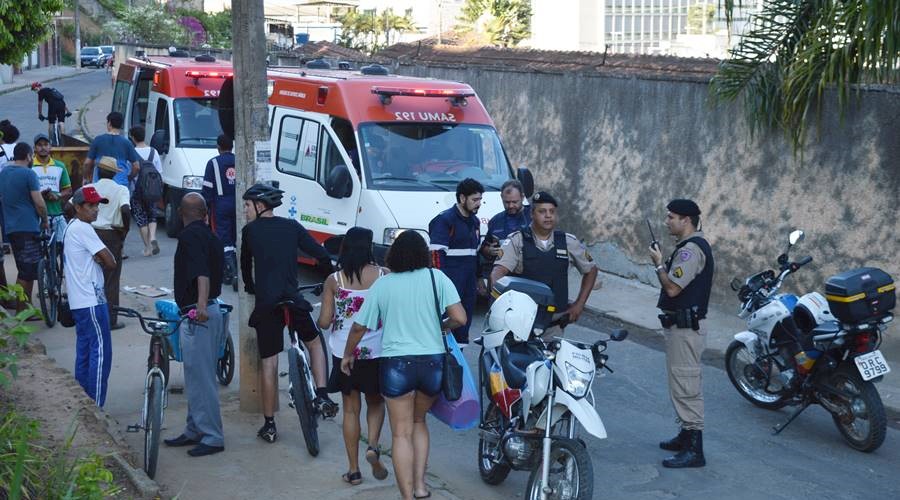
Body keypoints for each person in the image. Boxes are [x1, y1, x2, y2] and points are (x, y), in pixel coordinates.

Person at [342, 231, 466, 500]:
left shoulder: (384, 285)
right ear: (423, 253)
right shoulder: (438, 278)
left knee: (400, 434)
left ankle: (407, 496)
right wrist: (441, 326)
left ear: (394, 254)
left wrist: (347, 354)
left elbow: (359, 327)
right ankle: (421, 487)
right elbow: (460, 317)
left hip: (396, 365)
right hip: (432, 363)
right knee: (419, 422)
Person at [240, 182, 337, 443]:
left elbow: (245, 268)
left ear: (260, 206)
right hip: (293, 300)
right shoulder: (292, 227)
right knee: (315, 344)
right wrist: (328, 275)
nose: (246, 211)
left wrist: (251, 287)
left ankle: (270, 425)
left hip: (267, 304)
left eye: (247, 206)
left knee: (269, 362)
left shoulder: (249, 232)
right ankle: (323, 395)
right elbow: (321, 255)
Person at [318, 227, 388, 486]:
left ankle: (354, 470)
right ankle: (372, 445)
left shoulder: (334, 280)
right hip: (376, 352)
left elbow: (325, 322)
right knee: (376, 402)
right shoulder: (383, 276)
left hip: (343, 352)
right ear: (369, 248)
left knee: (350, 409)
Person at [648, 199, 714, 469]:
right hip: (680, 327)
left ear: (686, 220)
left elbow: (673, 288)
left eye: (671, 217)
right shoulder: (688, 248)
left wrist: (658, 264)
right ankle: (685, 436)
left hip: (687, 329)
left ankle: (694, 449)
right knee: (680, 383)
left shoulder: (691, 251)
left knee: (687, 385)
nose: (667, 222)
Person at [163, 192, 226, 457]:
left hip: (199, 314)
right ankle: (194, 428)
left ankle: (212, 436)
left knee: (202, 378)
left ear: (181, 212)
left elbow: (202, 271)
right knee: (196, 376)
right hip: (208, 311)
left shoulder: (190, 237)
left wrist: (200, 305)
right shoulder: (210, 236)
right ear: (205, 213)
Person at [490, 191, 598, 335]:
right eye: (542, 211)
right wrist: (503, 306)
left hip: (554, 326)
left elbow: (591, 270)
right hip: (520, 324)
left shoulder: (568, 242)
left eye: (552, 211)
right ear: (532, 214)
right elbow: (497, 274)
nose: (548, 215)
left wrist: (579, 305)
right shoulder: (517, 241)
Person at [64, 186, 116, 407]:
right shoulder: (84, 229)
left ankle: (83, 401)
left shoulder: (71, 227)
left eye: (97, 205)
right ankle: (95, 405)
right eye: (90, 205)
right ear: (78, 207)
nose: (95, 210)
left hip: (80, 302)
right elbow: (111, 261)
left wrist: (98, 258)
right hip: (91, 301)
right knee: (101, 353)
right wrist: (101, 258)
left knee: (85, 352)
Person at [427, 177, 483, 347]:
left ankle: (459, 365)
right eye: (475, 200)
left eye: (480, 200)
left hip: (468, 283)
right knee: (447, 323)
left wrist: (479, 278)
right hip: (450, 284)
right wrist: (441, 285)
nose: (478, 203)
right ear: (462, 198)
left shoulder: (475, 222)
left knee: (464, 325)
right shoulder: (444, 220)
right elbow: (436, 256)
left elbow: (475, 255)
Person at [0, 143, 48, 313]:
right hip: (27, 227)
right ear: (29, 156)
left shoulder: (4, 173)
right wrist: (45, 219)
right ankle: (23, 311)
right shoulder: (29, 174)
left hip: (11, 227)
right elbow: (39, 203)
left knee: (24, 268)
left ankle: (26, 307)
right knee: (27, 271)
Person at [91, 157, 131, 330]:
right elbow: (125, 210)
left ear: (98, 172)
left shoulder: (90, 188)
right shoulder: (121, 189)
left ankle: (91, 317)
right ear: (115, 174)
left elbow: (70, 206)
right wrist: (125, 230)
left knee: (90, 276)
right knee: (111, 278)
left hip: (90, 233)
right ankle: (110, 320)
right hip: (112, 234)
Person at [479, 179, 531, 294]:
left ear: (522, 197)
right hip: (501, 277)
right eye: (506, 202)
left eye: (514, 202)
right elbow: (484, 248)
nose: (511, 205)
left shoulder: (534, 216)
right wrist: (489, 251)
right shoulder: (495, 221)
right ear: (501, 198)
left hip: (528, 276)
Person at [201, 134, 237, 285]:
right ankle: (237, 269)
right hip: (239, 203)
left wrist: (205, 210)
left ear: (218, 147)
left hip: (220, 204)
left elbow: (207, 189)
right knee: (236, 237)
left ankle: (230, 271)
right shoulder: (238, 159)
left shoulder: (213, 163)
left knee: (223, 238)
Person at [32, 133, 73, 245]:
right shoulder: (30, 167)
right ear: (34, 148)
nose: (43, 147)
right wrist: (39, 195)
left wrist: (57, 195)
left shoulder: (60, 166)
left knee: (65, 245)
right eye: (39, 145)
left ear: (50, 147)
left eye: (46, 144)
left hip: (57, 213)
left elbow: (68, 190)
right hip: (36, 216)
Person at [128, 126, 162, 257]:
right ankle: (153, 236)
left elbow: (131, 171)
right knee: (152, 215)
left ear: (133, 137)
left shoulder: (131, 152)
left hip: (137, 190)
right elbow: (159, 172)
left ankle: (148, 248)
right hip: (152, 189)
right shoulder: (154, 152)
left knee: (141, 218)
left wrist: (130, 178)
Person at [83, 112, 141, 187]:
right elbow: (136, 167)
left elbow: (87, 163)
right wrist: (129, 178)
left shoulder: (98, 140)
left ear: (109, 123)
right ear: (121, 125)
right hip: (120, 184)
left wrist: (86, 178)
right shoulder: (127, 143)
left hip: (100, 184)